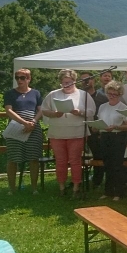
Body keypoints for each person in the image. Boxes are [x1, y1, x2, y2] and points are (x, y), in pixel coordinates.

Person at [41, 69, 96, 198]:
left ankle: (76, 187)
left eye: (69, 82)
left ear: (75, 81)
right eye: (64, 83)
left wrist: (79, 112)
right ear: (60, 82)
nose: (67, 85)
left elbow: (92, 111)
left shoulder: (83, 95)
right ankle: (61, 187)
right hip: (57, 133)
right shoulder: (53, 94)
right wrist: (55, 114)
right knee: (60, 161)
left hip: (77, 132)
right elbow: (44, 110)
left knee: (75, 160)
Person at [3, 68, 44, 195]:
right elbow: (9, 110)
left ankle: (34, 188)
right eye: (17, 78)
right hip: (16, 127)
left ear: (29, 79)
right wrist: (24, 123)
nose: (19, 80)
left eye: (22, 78)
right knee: (13, 158)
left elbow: (41, 110)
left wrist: (33, 122)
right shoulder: (10, 93)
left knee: (34, 158)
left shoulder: (36, 93)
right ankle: (12, 189)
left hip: (33, 128)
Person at [96, 81, 127, 201]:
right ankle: (108, 191)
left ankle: (118, 192)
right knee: (107, 164)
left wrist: (116, 127)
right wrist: (96, 126)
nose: (111, 96)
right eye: (109, 93)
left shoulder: (123, 107)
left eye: (114, 94)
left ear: (119, 94)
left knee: (117, 165)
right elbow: (99, 122)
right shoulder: (102, 107)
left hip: (118, 137)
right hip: (105, 137)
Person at [79, 71, 108, 191]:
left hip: (96, 132)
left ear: (93, 80)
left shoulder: (102, 97)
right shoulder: (78, 96)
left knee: (98, 156)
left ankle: (97, 181)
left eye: (88, 79)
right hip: (79, 130)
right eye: (83, 80)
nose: (86, 82)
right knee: (77, 157)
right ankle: (78, 181)